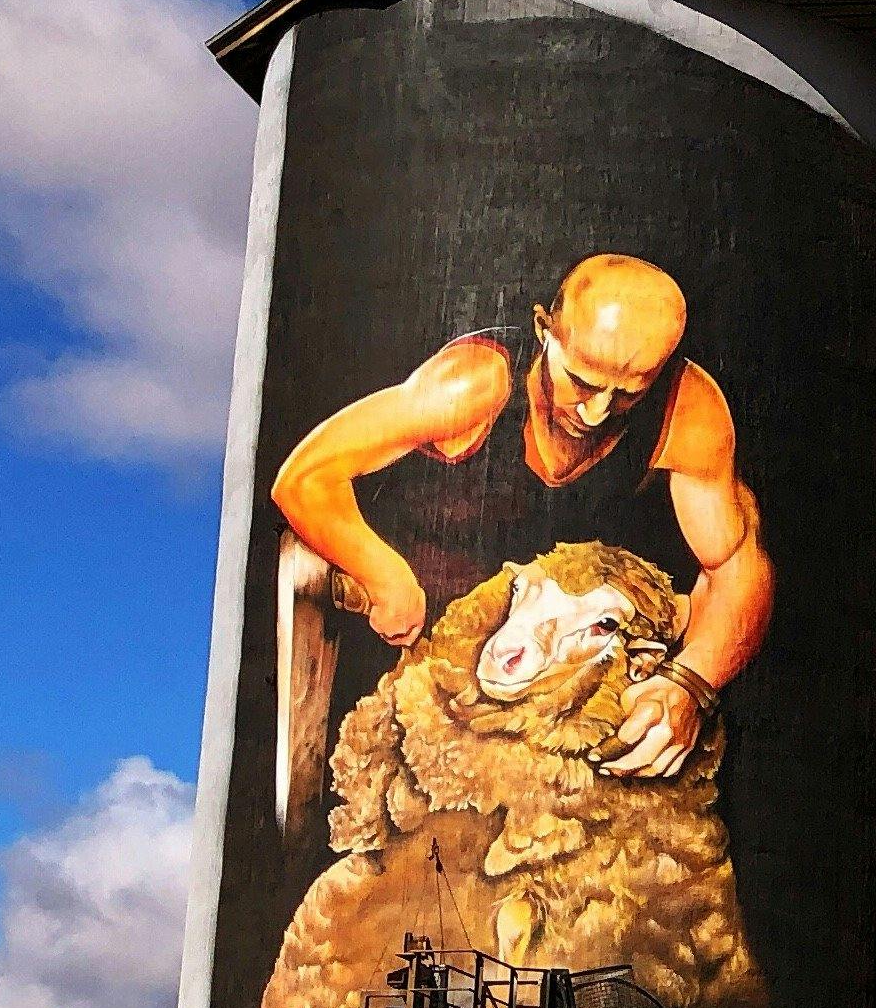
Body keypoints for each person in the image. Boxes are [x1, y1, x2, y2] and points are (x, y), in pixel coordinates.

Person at [271, 253, 771, 780]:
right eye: (582, 381)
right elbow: (303, 478)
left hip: (547, 654)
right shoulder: (475, 383)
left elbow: (736, 564)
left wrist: (692, 681)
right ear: (544, 332)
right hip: (405, 632)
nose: (597, 412)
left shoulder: (687, 409)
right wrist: (384, 574)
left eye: (628, 393)